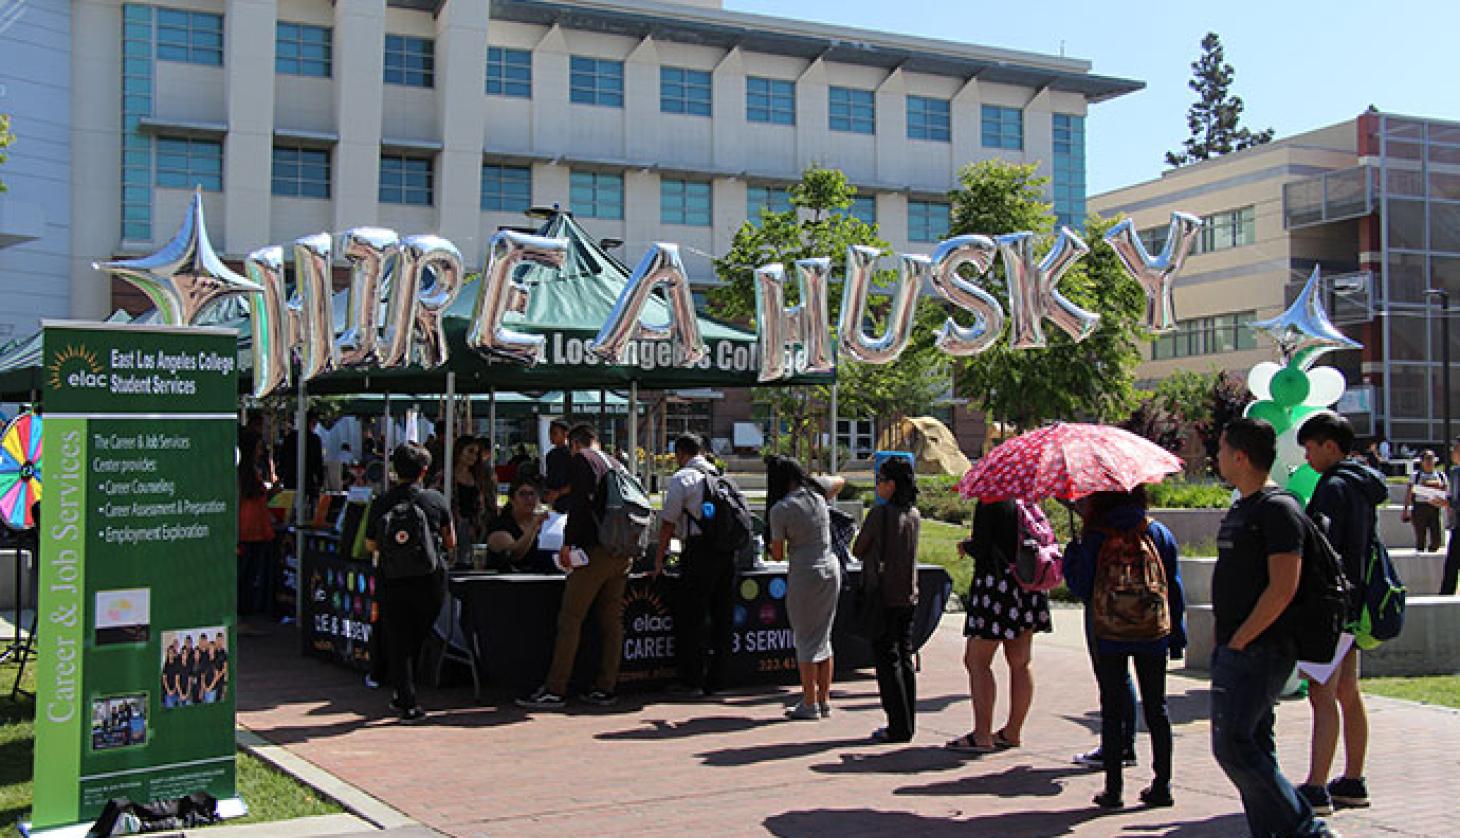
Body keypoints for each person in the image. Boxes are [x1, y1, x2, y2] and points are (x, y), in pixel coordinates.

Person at [1211, 417, 1336, 837]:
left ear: (1240, 457)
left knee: (1232, 746)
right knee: (1255, 743)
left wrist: (1242, 639)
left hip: (1259, 649)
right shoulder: (1243, 506)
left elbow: (1284, 587)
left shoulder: (1277, 509)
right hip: (1240, 647)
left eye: (1222, 448)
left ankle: (1307, 830)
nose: (1217, 456)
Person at [1063, 488, 1186, 809]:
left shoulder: (1096, 536)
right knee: (1157, 708)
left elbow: (1081, 587)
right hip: (1152, 634)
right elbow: (1173, 584)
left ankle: (1114, 789)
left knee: (1113, 707)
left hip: (1109, 634)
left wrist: (1073, 554)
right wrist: (1177, 636)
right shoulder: (1157, 532)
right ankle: (1162, 785)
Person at [1296, 413, 1386, 814]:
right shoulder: (1363, 484)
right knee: (1348, 692)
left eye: (1310, 448)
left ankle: (1316, 787)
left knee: (1322, 694)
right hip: (1359, 599)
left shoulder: (1332, 487)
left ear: (1330, 446)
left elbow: (1322, 549)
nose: (1307, 456)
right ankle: (1353, 778)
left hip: (1333, 603)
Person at [518, 423, 627, 709]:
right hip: (622, 551)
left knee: (570, 619)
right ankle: (606, 686)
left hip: (595, 551)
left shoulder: (583, 460)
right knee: (611, 621)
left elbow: (580, 505)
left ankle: (556, 688)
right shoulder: (615, 462)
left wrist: (568, 544)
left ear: (573, 443)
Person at [947, 499, 1052, 753]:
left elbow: (982, 547)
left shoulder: (990, 501)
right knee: (1020, 662)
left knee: (977, 661)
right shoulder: (1028, 500)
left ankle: (982, 734)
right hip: (1027, 585)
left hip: (995, 587)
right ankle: (1012, 731)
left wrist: (967, 544)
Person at [365, 442, 456, 722]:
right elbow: (451, 541)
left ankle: (405, 698)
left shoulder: (382, 502)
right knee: (418, 635)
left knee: (398, 638)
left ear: (394, 470)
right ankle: (406, 693)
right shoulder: (435, 500)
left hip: (392, 579)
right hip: (429, 580)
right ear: (424, 471)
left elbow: (370, 545)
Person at [765, 455, 845, 720]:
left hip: (804, 573)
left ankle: (808, 702)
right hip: (830, 569)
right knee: (825, 636)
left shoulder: (781, 509)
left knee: (805, 638)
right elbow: (839, 481)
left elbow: (777, 555)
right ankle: (824, 699)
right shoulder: (818, 496)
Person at [655, 434, 736, 695]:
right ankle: (720, 678)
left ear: (680, 454)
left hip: (699, 553)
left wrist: (659, 560)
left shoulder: (683, 479)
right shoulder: (723, 478)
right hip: (726, 553)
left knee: (693, 617)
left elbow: (668, 522)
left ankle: (692, 680)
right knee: (722, 616)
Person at [851, 457, 921, 744]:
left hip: (882, 593)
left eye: (880, 480)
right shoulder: (913, 513)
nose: (878, 485)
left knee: (886, 659)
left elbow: (859, 548)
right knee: (904, 656)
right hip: (907, 593)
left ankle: (896, 725)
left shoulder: (881, 514)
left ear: (891, 484)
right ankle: (907, 723)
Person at [238, 434, 278, 617]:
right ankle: (243, 615)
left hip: (250, 527)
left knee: (247, 575)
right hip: (250, 528)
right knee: (246, 575)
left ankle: (244, 614)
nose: (260, 451)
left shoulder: (250, 471)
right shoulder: (246, 473)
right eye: (258, 448)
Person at [485, 476, 555, 572]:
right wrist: (533, 527)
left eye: (532, 494)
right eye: (523, 494)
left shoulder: (545, 523)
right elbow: (515, 554)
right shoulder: (500, 525)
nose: (529, 498)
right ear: (512, 499)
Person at [450, 435, 488, 566]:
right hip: (452, 528)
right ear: (459, 450)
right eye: (470, 451)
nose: (474, 456)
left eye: (477, 453)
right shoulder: (446, 477)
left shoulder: (478, 477)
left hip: (475, 529)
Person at [1402, 450, 1447, 552]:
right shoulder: (1415, 476)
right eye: (1427, 459)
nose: (1430, 461)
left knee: (1436, 539)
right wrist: (1405, 510)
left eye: (1432, 458)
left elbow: (1446, 491)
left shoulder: (1441, 476)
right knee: (1420, 538)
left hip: (1434, 508)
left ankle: (1432, 555)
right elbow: (1409, 493)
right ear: (1422, 461)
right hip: (1419, 508)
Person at [280, 410, 326, 502]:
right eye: (314, 423)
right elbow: (318, 462)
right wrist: (321, 481)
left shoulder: (290, 437)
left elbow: (282, 458)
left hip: (291, 479)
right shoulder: (314, 440)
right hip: (306, 480)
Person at [543, 420, 573, 514]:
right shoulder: (550, 455)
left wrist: (559, 492)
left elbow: (576, 480)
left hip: (568, 500)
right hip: (553, 500)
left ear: (565, 434)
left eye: (555, 433)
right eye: (550, 433)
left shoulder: (572, 454)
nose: (551, 436)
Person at [1443, 439, 1460, 595]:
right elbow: (1452, 497)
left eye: (1455, 448)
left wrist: (1449, 504)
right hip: (1457, 524)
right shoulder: (1454, 472)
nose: (1452, 451)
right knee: (1452, 561)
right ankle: (1446, 593)